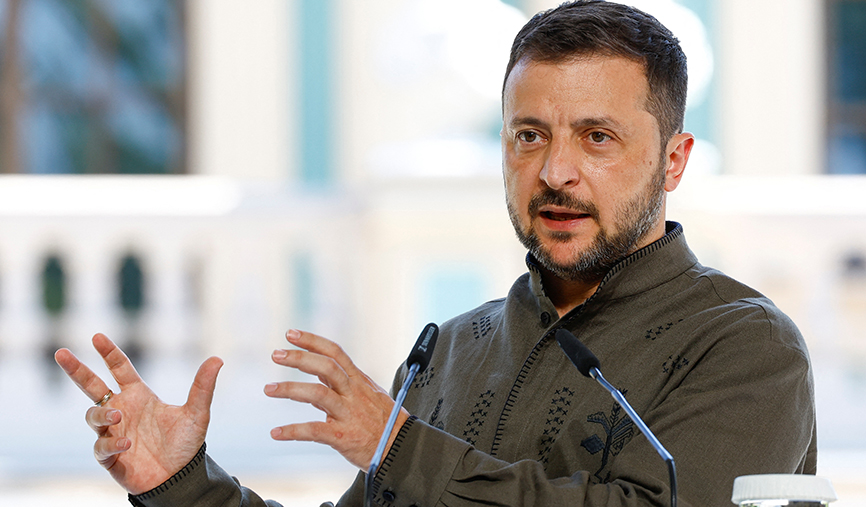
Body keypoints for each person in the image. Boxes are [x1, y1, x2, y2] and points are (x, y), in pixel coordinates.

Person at [55, 1, 817, 506]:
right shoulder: (450, 351)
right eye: (529, 136)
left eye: (597, 137)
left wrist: (399, 445)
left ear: (673, 161)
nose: (556, 171)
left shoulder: (747, 346)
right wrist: (180, 483)